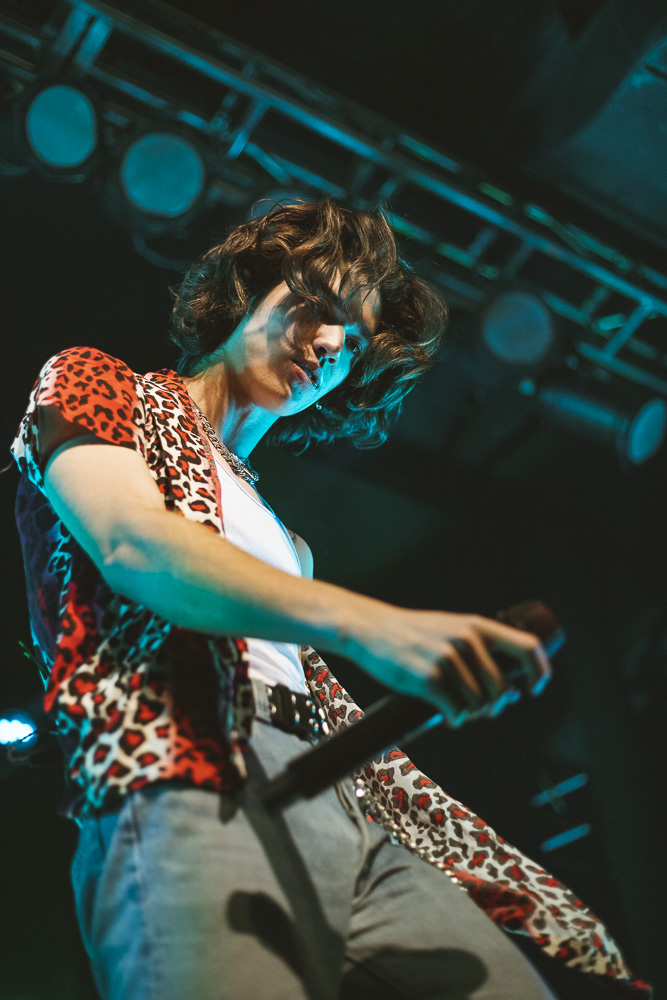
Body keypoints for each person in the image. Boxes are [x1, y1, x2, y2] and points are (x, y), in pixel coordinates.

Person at [12, 200, 646, 1000]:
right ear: (248, 291)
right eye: (318, 311)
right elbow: (135, 545)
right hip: (188, 757)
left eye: (349, 349)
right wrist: (371, 626)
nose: (327, 348)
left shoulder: (290, 545)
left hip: (347, 803)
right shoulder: (103, 385)